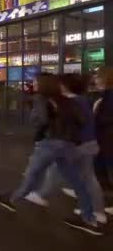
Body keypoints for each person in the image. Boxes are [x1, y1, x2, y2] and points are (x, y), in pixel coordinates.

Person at [0, 74, 103, 236]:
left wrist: (36, 116)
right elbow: (82, 120)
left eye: (35, 81)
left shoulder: (41, 99)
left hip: (49, 143)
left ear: (43, 85)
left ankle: (11, 199)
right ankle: (88, 218)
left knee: (32, 174)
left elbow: (41, 121)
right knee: (77, 181)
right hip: (67, 145)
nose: (33, 84)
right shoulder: (67, 100)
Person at [24, 74, 107, 223]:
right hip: (88, 143)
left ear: (64, 86)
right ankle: (97, 210)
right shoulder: (82, 100)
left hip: (77, 145)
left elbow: (60, 125)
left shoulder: (70, 102)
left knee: (56, 170)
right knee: (86, 176)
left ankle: (41, 195)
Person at [93, 68, 113, 197]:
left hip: (108, 138)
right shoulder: (105, 95)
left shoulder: (109, 96)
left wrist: (95, 117)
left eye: (97, 77)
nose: (95, 80)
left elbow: (107, 117)